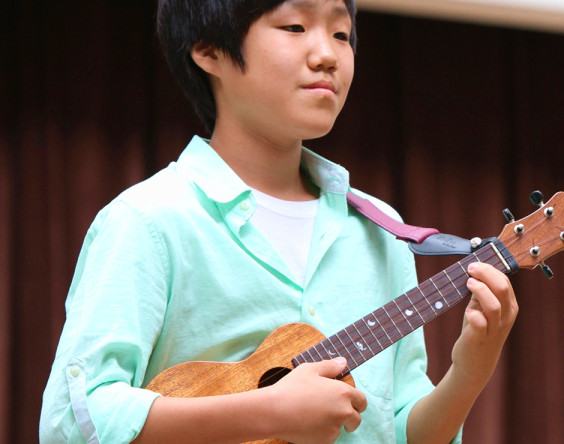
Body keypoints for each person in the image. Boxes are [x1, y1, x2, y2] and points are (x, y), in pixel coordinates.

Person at [39, 0, 518, 442]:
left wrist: (470, 370)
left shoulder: (380, 230)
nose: (328, 55)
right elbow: (74, 421)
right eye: (295, 26)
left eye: (341, 34)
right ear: (208, 50)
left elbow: (400, 429)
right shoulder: (148, 222)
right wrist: (270, 411)